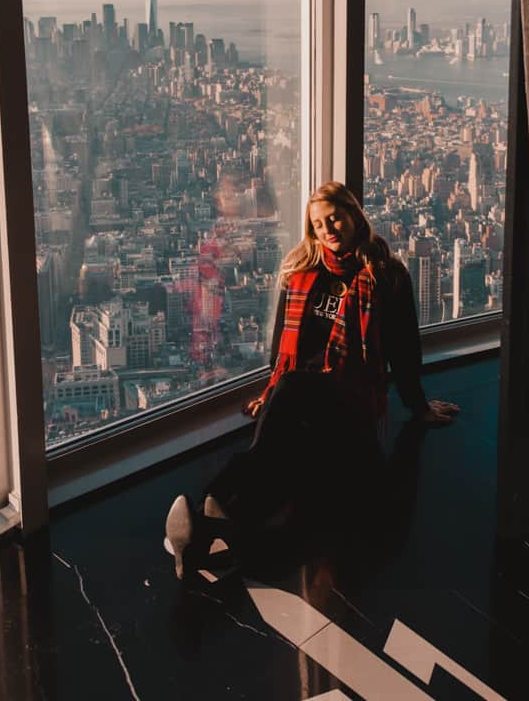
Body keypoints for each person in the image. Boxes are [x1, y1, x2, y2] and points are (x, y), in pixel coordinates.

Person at [164, 181, 459, 579]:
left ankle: (213, 499)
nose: (328, 229)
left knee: (284, 412)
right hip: (300, 402)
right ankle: (203, 536)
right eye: (318, 224)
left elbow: (404, 350)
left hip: (351, 402)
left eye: (334, 217)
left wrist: (418, 405)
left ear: (354, 213)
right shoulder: (302, 272)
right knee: (277, 466)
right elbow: (279, 352)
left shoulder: (386, 276)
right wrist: (270, 394)